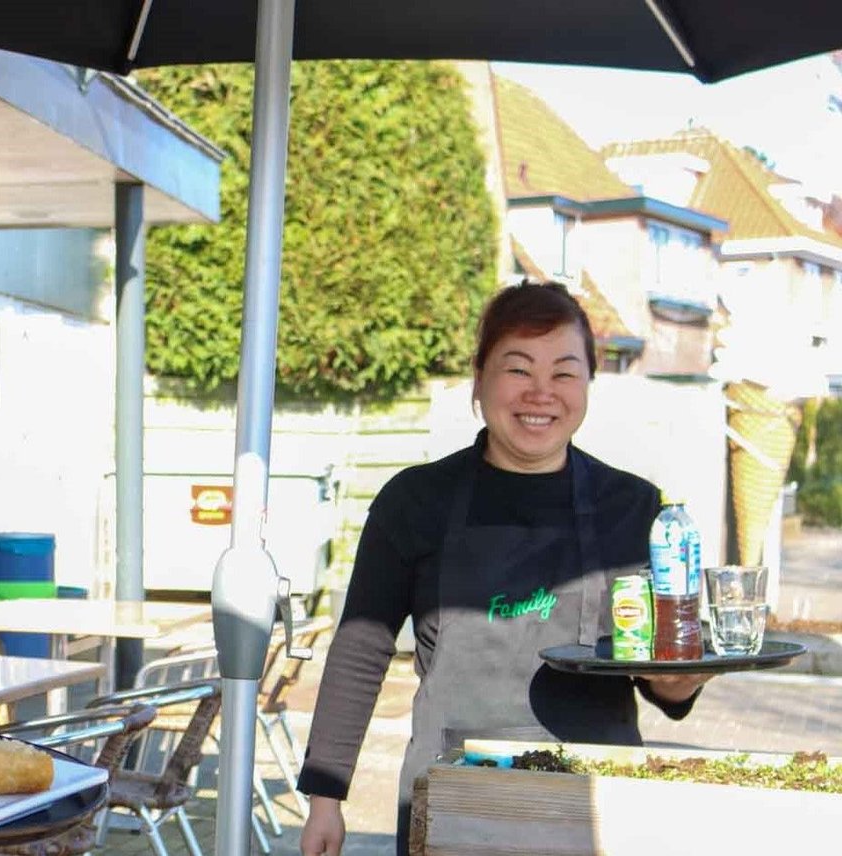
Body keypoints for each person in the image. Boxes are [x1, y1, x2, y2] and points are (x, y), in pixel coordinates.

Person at [297, 282, 711, 856]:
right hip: (452, 795)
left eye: (564, 373)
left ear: (589, 383)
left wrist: (681, 678)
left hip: (598, 800)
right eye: (518, 369)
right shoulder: (415, 501)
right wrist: (325, 796)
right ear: (480, 379)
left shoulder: (635, 508)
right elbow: (361, 647)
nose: (541, 393)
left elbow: (663, 676)